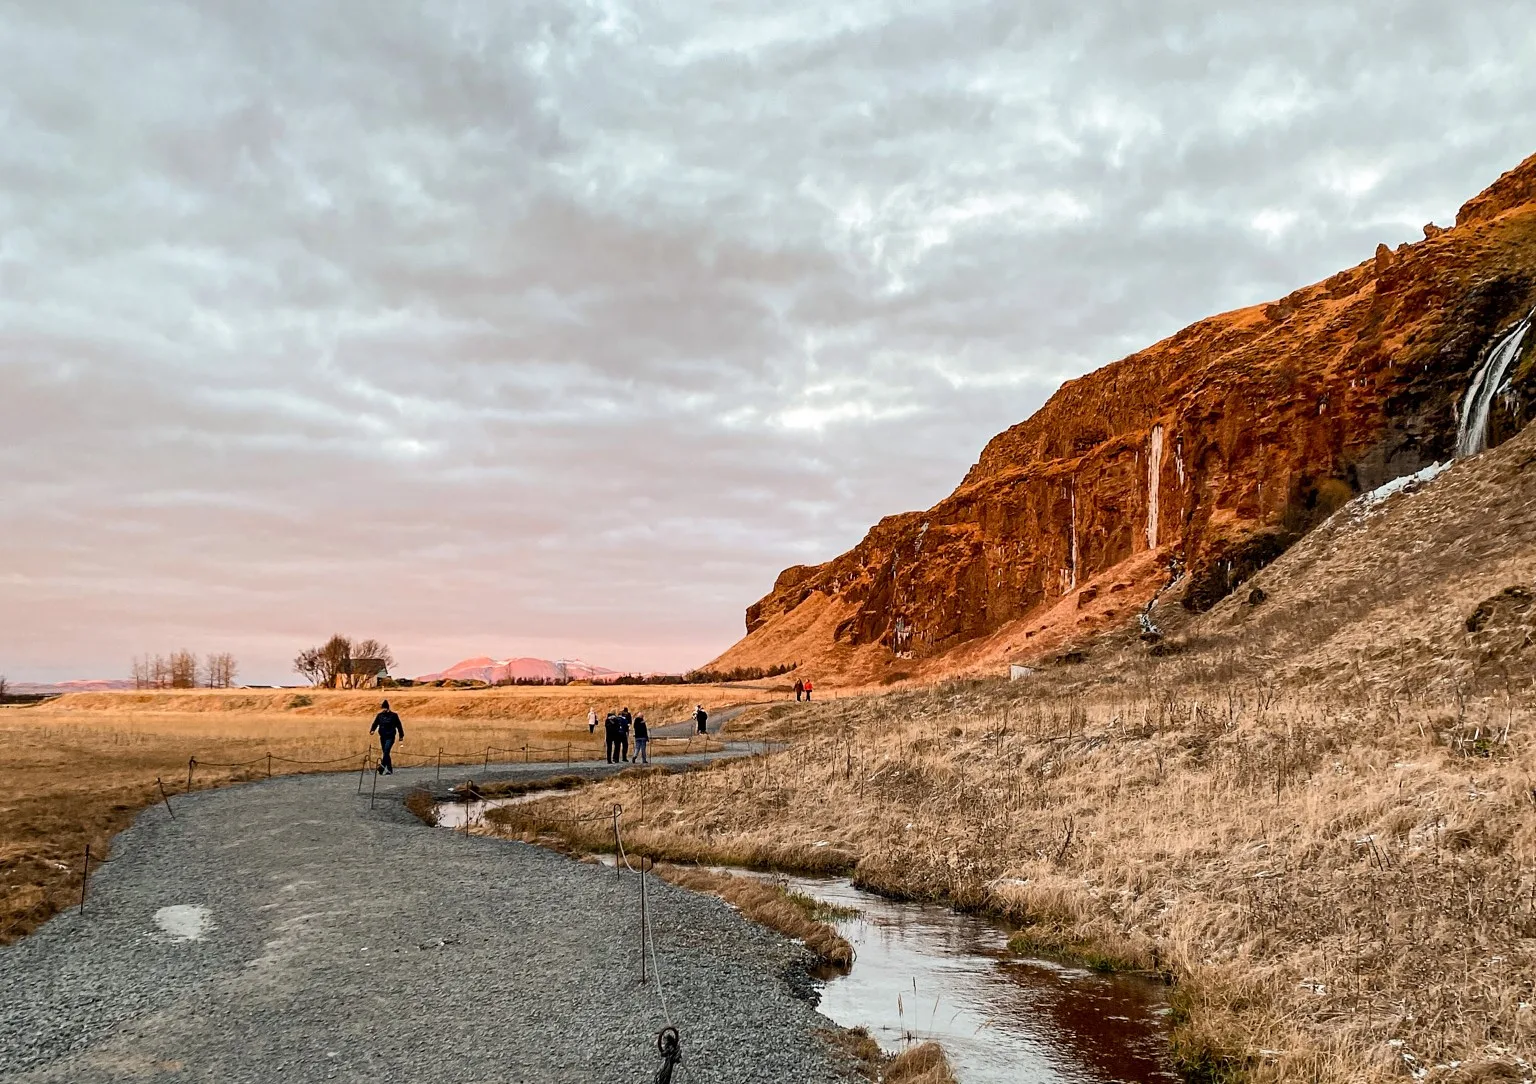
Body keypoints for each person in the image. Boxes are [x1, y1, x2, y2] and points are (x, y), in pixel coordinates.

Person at [370, 700, 404, 775]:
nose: (383, 710)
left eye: (384, 708)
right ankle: (389, 770)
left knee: (386, 750)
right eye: (382, 708)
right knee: (386, 753)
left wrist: (401, 736)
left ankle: (381, 768)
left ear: (388, 708)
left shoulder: (394, 716)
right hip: (382, 736)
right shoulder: (380, 715)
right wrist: (372, 730)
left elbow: (399, 726)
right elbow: (375, 723)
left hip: (390, 736)